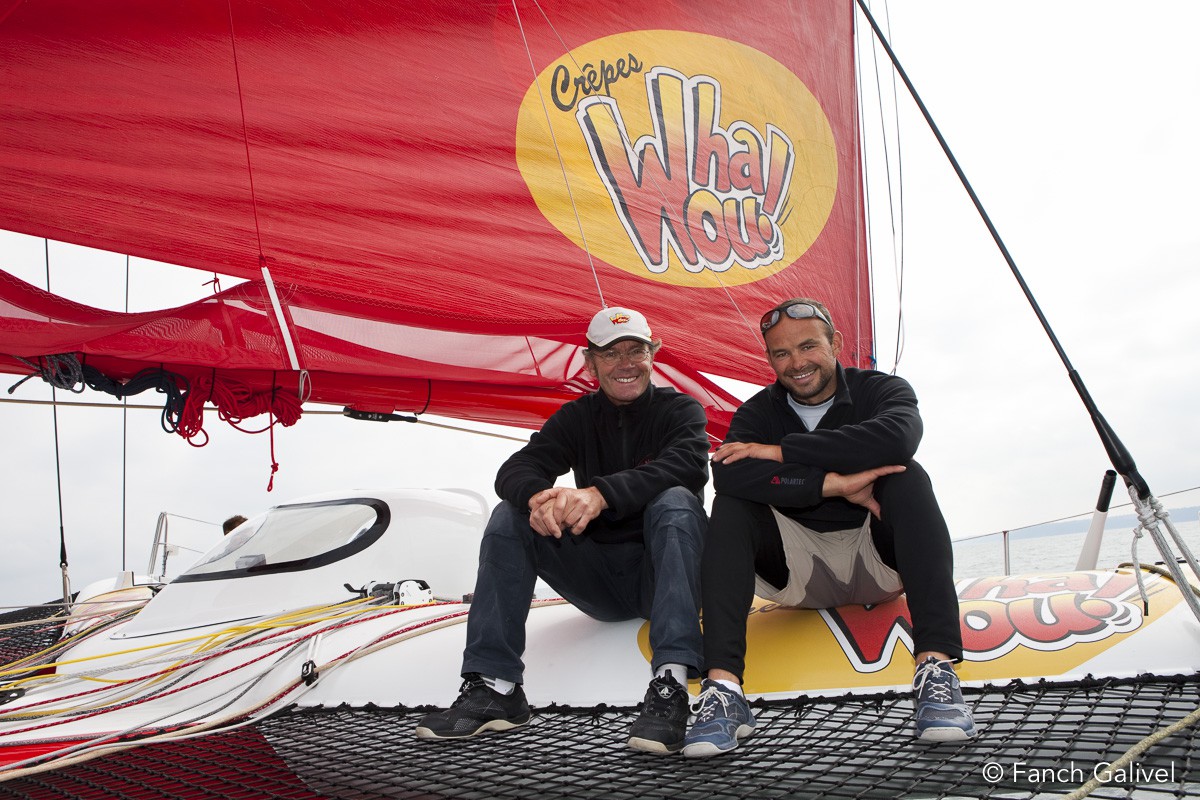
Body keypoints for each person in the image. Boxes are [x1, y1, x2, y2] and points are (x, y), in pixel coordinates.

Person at [682, 297, 976, 758]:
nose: (796, 363)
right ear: (769, 359)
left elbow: (897, 438)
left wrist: (779, 453)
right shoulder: (757, 413)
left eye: (808, 346)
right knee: (732, 502)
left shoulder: (882, 390)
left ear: (835, 343)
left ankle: (936, 670)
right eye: (781, 353)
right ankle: (723, 690)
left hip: (877, 562)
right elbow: (731, 472)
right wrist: (833, 484)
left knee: (909, 477)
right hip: (795, 573)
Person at [415, 306, 710, 754]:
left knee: (675, 500)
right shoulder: (575, 417)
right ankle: (496, 687)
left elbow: (686, 466)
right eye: (610, 355)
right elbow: (517, 468)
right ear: (590, 364)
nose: (625, 363)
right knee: (510, 513)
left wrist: (599, 494)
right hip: (599, 580)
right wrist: (538, 497)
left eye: (636, 350)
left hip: (664, 574)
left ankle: (670, 685)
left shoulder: (681, 409)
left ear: (655, 354)